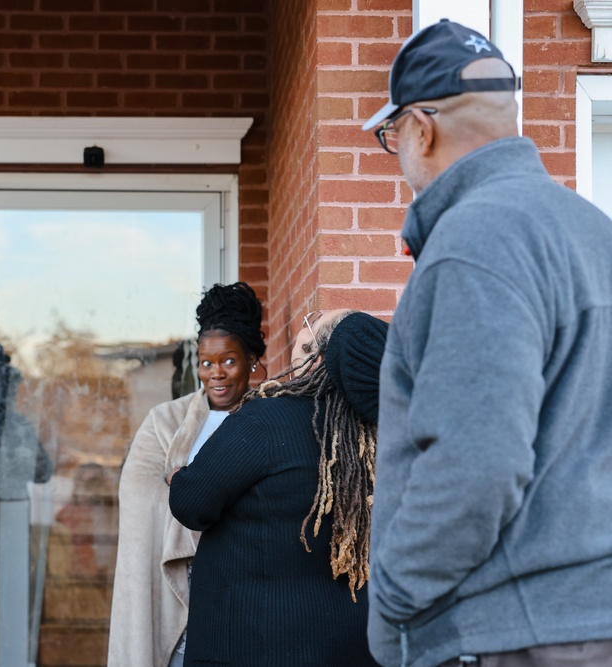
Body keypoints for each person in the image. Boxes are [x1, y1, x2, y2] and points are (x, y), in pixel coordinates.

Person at [363, 20, 612, 667]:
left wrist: (392, 593)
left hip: (507, 637)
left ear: (421, 127)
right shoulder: (594, 233)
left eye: (391, 136)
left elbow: (478, 464)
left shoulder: (473, 242)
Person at [168, 310, 387, 666]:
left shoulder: (265, 421)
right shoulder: (377, 440)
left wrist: (177, 476)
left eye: (305, 335)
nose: (295, 342)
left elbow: (192, 503)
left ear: (318, 360)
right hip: (350, 646)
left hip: (254, 643)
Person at [107, 282, 266, 667]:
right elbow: (138, 496)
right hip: (180, 591)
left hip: (245, 589)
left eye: (229, 361)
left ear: (252, 359)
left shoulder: (269, 416)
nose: (217, 375)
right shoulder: (165, 421)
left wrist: (181, 483)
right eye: (206, 363)